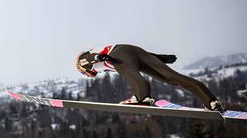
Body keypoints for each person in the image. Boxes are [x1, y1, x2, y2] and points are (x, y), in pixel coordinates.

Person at [75, 44, 225, 112]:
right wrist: (159, 58)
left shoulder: (84, 63)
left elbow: (86, 60)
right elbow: (135, 56)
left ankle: (142, 98)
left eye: (84, 74)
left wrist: (99, 57)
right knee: (172, 77)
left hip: (118, 54)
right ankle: (211, 101)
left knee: (130, 73)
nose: (87, 75)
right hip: (135, 51)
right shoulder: (101, 61)